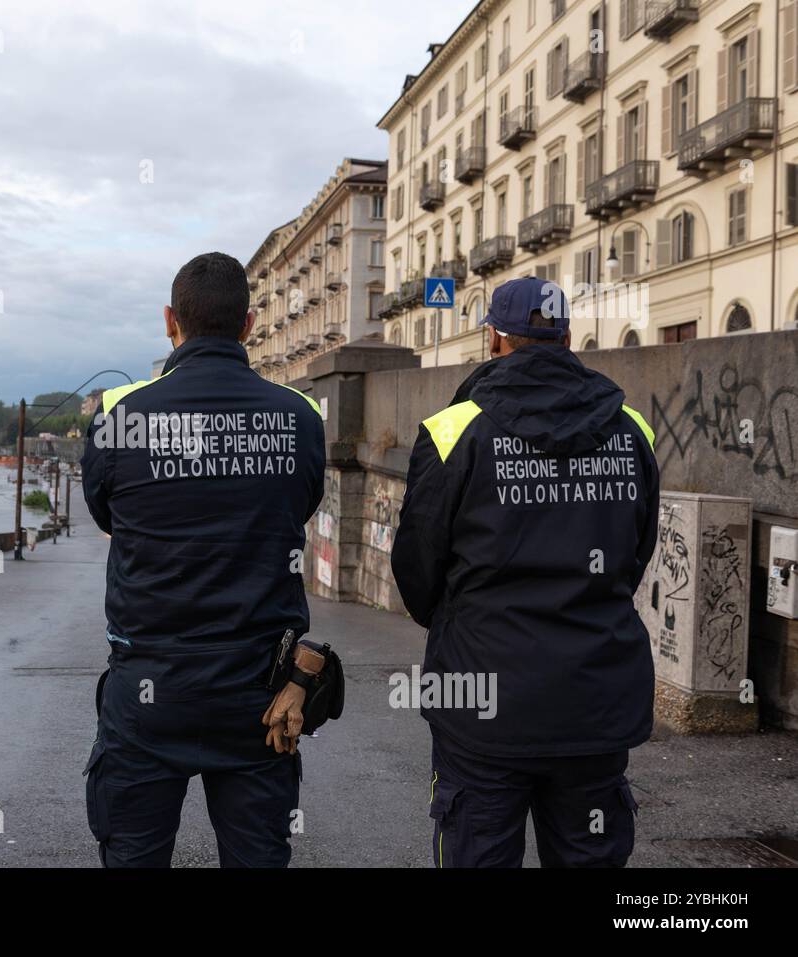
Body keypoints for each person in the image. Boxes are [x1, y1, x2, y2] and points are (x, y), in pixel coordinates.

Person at [391, 276, 660, 868]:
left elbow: (416, 567)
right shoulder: (631, 427)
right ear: (567, 335)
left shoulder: (453, 430)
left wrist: (463, 626)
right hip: (597, 699)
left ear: (494, 339)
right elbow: (636, 553)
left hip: (483, 702)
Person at [80, 251, 326, 868]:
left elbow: (109, 517)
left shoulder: (121, 418)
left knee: (133, 854)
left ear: (170, 321)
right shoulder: (298, 417)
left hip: (148, 686)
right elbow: (296, 508)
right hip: (261, 692)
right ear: (248, 326)